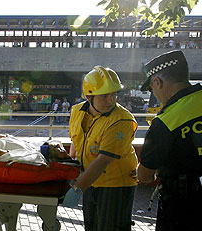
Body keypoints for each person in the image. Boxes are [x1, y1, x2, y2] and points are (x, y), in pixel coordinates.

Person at [137, 50, 202, 231]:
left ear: (157, 82)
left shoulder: (166, 122)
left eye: (152, 88)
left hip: (183, 208)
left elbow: (145, 175)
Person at [68, 66, 138, 231]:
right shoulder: (77, 111)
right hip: (90, 181)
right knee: (91, 226)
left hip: (116, 187)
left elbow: (104, 160)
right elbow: (75, 140)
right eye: (104, 95)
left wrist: (77, 188)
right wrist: (71, 163)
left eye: (114, 94)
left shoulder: (121, 120)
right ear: (89, 97)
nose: (110, 100)